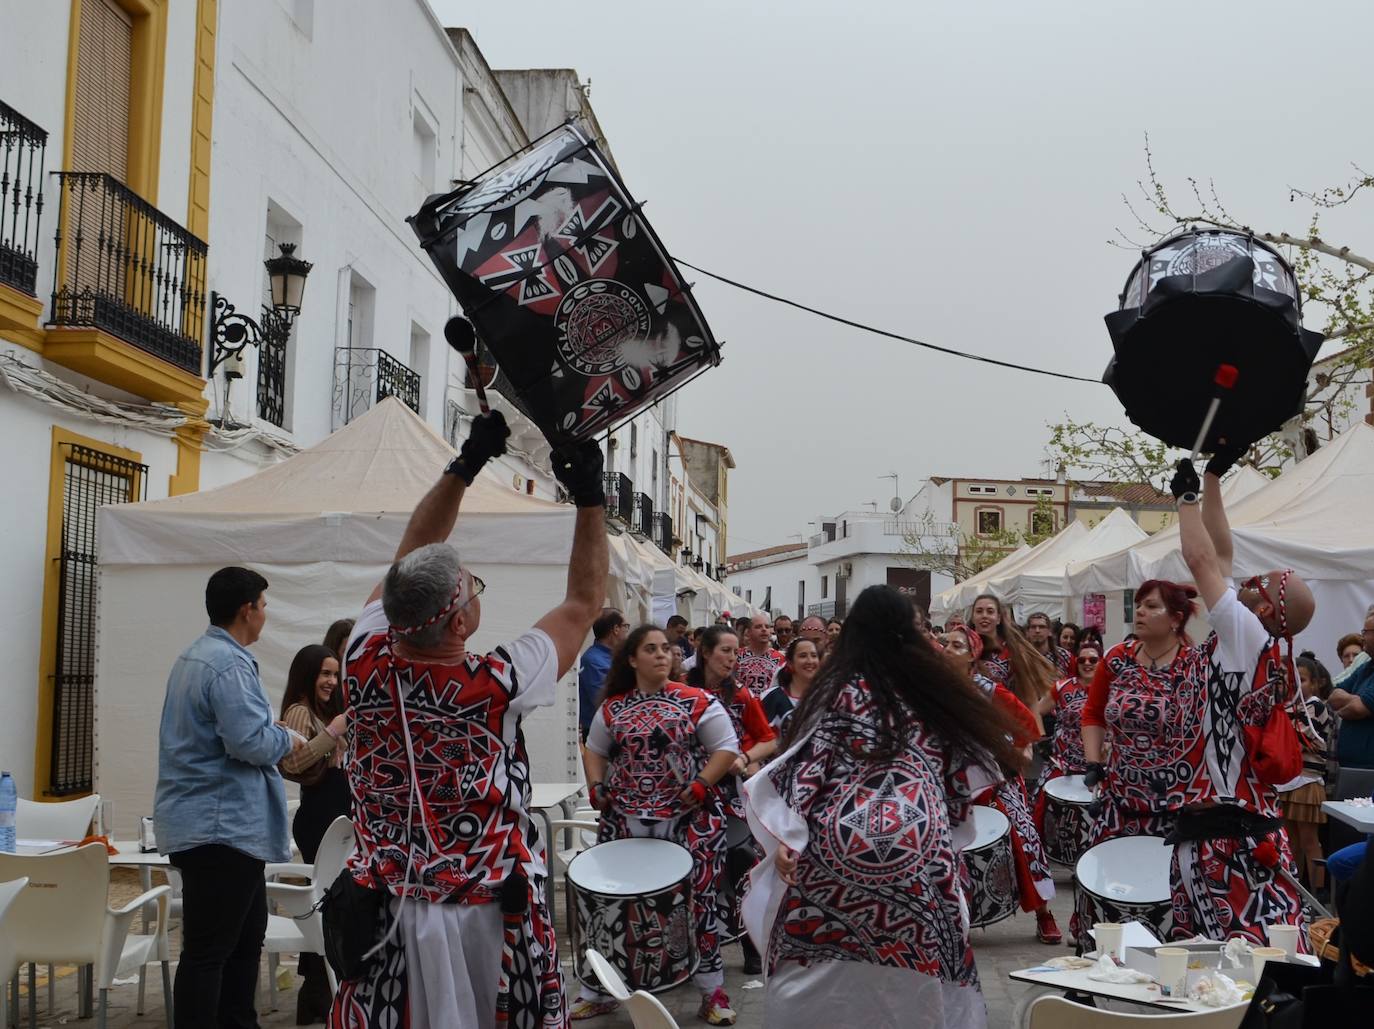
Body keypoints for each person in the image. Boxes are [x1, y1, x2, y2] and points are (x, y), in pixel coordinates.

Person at [334, 411, 607, 1029]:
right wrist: (590, 499)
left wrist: (467, 464)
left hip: (385, 909)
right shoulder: (499, 684)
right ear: (459, 621)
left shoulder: (361, 655)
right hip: (485, 915)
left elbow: (410, 553)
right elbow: (584, 602)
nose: (475, 591)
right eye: (472, 586)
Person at [743, 586, 1024, 1029]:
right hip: (918, 851)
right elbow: (971, 767)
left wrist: (789, 835)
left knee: (818, 965)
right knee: (922, 964)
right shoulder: (934, 690)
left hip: (835, 852)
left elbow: (808, 767)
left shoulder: (833, 691)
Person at [1167, 455, 1314, 946]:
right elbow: (1221, 555)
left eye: (1259, 583)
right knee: (1251, 954)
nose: (1248, 583)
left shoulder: (1245, 635)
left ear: (1266, 607)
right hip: (1239, 825)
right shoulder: (1252, 643)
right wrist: (1213, 479)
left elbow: (1201, 560)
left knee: (1228, 959)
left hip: (1227, 835)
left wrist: (1185, 500)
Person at [155, 566, 304, 1029]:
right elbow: (249, 743)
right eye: (264, 605)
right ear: (247, 610)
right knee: (210, 951)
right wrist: (288, 739)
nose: (265, 614)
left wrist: (268, 730)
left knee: (243, 942)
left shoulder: (195, 657)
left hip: (218, 829)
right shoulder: (228, 664)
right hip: (221, 829)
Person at [577, 625, 741, 1024]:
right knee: (612, 907)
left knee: (698, 905)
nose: (661, 655)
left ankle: (712, 993)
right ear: (632, 659)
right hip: (626, 822)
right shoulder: (613, 708)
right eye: (650, 649)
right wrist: (596, 786)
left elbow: (726, 748)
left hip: (688, 822)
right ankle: (599, 990)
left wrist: (702, 783)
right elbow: (594, 750)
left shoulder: (696, 701)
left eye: (665, 648)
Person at [942, 625, 1060, 944]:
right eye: (947, 643)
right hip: (948, 783)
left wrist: (1013, 754)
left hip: (992, 779)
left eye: (957, 645)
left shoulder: (989, 691)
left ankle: (1044, 914)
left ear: (972, 656)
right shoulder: (933, 689)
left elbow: (1027, 725)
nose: (948, 649)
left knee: (1025, 838)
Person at [686, 624, 778, 977]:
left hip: (729, 794)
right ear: (705, 652)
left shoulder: (741, 695)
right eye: (726, 650)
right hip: (690, 796)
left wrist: (745, 757)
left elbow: (768, 738)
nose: (732, 658)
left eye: (736, 652)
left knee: (741, 865)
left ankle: (751, 947)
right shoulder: (682, 691)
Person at [278, 644, 349, 1024]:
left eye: (334, 674)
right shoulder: (299, 711)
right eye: (324, 673)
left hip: (333, 819)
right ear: (308, 674)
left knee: (331, 903)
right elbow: (292, 762)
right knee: (327, 903)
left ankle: (317, 993)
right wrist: (333, 733)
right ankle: (317, 994)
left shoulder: (321, 712)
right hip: (319, 820)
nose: (331, 681)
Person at [1032, 640, 1101, 868]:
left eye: (1093, 659)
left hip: (1098, 765)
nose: (1087, 663)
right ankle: (1040, 859)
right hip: (1063, 763)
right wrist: (1042, 738)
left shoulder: (1111, 689)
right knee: (1041, 807)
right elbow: (1035, 710)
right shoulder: (1062, 687)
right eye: (1082, 660)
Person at [1279, 655, 1332, 898]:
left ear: (1315, 683)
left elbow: (1296, 740)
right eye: (1293, 679)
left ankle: (1318, 893)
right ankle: (1296, 892)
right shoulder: (1287, 706)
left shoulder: (1314, 705)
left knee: (1309, 840)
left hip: (1307, 781)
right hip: (1287, 781)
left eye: (1302, 680)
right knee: (1291, 841)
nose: (1296, 685)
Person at [968, 594, 1054, 732]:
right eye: (979, 611)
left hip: (1006, 727)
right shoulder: (963, 648)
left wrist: (1038, 734)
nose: (984, 615)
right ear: (973, 617)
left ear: (998, 618)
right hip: (970, 724)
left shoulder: (1013, 652)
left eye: (990, 611)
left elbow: (1029, 698)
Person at [1330, 611, 1374, 769]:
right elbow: (1332, 694)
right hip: (1352, 766)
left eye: (1366, 632)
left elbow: (1357, 708)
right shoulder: (1366, 668)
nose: (1362, 638)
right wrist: (1355, 700)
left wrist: (1351, 705)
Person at [578, 609, 628, 741]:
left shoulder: (616, 657)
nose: (627, 632)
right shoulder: (592, 661)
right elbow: (604, 700)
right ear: (616, 629)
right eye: (626, 626)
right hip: (602, 733)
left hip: (616, 727)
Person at [762, 637, 820, 737]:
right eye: (803, 656)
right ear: (790, 663)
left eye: (814, 656)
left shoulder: (827, 697)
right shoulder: (772, 697)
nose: (810, 661)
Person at [735, 613, 786, 699]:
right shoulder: (736, 656)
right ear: (748, 632)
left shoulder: (781, 659)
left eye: (767, 627)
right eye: (758, 627)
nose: (764, 629)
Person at [1026, 612, 1073, 677]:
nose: (1037, 630)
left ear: (1050, 631)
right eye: (1033, 627)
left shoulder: (1064, 656)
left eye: (1042, 627)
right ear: (1027, 632)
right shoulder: (1020, 656)